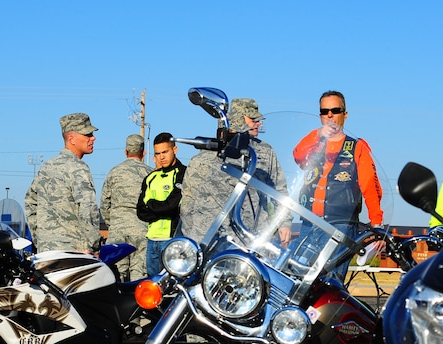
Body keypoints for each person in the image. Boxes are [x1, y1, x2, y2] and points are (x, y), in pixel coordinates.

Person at [293, 90, 383, 281]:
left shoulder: (357, 147)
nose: (330, 115)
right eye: (325, 111)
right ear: (320, 116)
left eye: (335, 110)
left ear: (345, 114)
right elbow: (298, 156)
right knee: (294, 276)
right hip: (309, 223)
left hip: (340, 226)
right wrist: (317, 134)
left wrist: (376, 223)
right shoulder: (314, 144)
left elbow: (370, 187)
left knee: (329, 282)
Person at [180, 97, 290, 244]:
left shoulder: (266, 152)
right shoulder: (206, 157)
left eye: (258, 119)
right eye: (253, 119)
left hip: (252, 239)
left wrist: (284, 223)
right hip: (212, 239)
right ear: (237, 119)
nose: (258, 123)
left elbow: (279, 190)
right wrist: (192, 238)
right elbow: (188, 200)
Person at [24, 112, 102, 253]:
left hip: (47, 252)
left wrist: (41, 240)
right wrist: (94, 246)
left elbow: (30, 202)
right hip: (75, 252)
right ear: (71, 139)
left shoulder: (46, 167)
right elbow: (87, 209)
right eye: (88, 135)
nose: (93, 138)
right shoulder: (78, 168)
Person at [100, 134, 153, 280]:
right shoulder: (150, 173)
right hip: (142, 228)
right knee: (139, 275)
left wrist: (113, 223)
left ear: (125, 151)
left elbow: (104, 202)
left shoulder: (114, 172)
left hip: (118, 229)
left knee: (116, 274)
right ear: (143, 152)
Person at [137, 132, 186, 276]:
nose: (161, 157)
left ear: (174, 150)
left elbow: (173, 206)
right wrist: (161, 207)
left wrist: (151, 204)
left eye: (165, 152)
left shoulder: (183, 173)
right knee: (153, 285)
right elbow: (140, 211)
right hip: (152, 241)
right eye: (158, 153)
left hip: (173, 240)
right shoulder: (150, 178)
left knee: (173, 286)